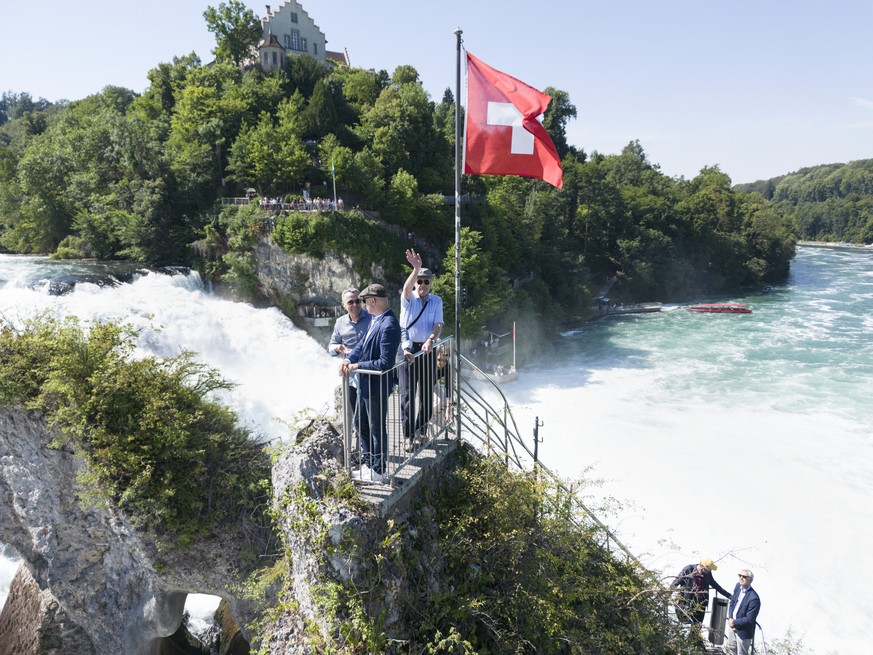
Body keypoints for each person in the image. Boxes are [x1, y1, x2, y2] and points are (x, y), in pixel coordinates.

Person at [339, 284, 400, 483]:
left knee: (376, 428)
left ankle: (379, 471)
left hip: (376, 386)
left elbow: (385, 363)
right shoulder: (377, 320)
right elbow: (361, 345)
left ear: (372, 301)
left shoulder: (389, 324)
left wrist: (356, 366)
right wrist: (348, 359)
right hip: (366, 385)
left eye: (364, 302)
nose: (363, 306)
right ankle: (369, 464)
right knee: (360, 422)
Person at [399, 249, 444, 452]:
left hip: (427, 349)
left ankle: (421, 429)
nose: (423, 285)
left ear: (431, 283)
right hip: (408, 350)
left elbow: (438, 324)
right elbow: (406, 289)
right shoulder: (408, 298)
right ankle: (408, 436)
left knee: (426, 393)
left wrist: (431, 340)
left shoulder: (436, 301)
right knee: (407, 395)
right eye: (420, 281)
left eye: (426, 281)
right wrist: (415, 269)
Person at [328, 288, 372, 452]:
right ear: (343, 305)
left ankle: (374, 454)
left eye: (357, 301)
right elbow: (331, 346)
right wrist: (338, 347)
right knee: (358, 418)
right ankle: (364, 450)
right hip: (351, 378)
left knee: (371, 418)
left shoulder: (371, 318)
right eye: (350, 302)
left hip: (371, 374)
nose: (355, 304)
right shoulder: (340, 323)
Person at [673, 558, 732, 625]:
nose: (709, 571)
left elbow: (715, 585)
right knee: (684, 622)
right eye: (708, 569)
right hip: (686, 602)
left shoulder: (708, 574)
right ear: (702, 566)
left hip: (701, 604)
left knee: (697, 627)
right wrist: (666, 595)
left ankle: (694, 635)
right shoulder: (689, 569)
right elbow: (675, 582)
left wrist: (729, 596)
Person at [725, 569, 761, 655]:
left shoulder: (754, 598)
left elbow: (749, 619)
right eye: (740, 575)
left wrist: (734, 623)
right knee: (731, 649)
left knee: (742, 653)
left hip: (743, 631)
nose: (741, 578)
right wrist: (730, 619)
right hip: (732, 625)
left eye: (744, 577)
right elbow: (732, 603)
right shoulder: (738, 586)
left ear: (750, 580)